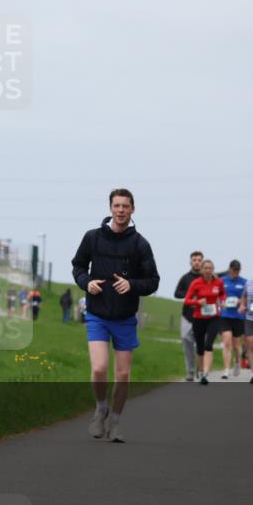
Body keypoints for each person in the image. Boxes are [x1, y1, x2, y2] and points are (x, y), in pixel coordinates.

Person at [72, 188, 160, 443]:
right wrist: (86, 283)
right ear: (110, 208)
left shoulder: (140, 244)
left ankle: (116, 421)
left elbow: (153, 281)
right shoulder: (93, 238)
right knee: (99, 367)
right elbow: (78, 266)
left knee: (122, 374)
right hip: (97, 313)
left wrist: (131, 284)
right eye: (117, 206)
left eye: (125, 206)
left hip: (124, 316)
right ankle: (100, 409)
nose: (121, 210)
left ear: (133, 209)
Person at [183, 259, 226, 385]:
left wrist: (223, 301)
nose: (208, 270)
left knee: (208, 344)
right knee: (200, 347)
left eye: (210, 268)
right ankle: (201, 371)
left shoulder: (218, 282)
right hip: (199, 318)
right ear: (202, 270)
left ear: (212, 269)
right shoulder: (196, 283)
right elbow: (187, 300)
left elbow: (223, 294)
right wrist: (197, 302)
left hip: (214, 317)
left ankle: (206, 373)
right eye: (205, 268)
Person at [174, 251, 204, 382]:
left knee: (200, 345)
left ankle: (201, 369)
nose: (197, 262)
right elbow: (177, 293)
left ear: (202, 262)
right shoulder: (185, 278)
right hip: (187, 315)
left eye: (199, 260)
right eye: (194, 260)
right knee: (187, 342)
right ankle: (190, 372)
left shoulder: (207, 278)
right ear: (191, 262)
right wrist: (190, 295)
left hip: (203, 316)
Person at [219, 260, 248, 379]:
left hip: (238, 316)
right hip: (225, 315)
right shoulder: (222, 281)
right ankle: (226, 369)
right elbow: (218, 295)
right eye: (233, 270)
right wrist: (221, 302)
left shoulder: (244, 282)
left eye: (237, 270)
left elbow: (247, 298)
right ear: (230, 269)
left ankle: (237, 362)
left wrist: (242, 303)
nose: (235, 272)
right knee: (227, 342)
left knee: (236, 345)